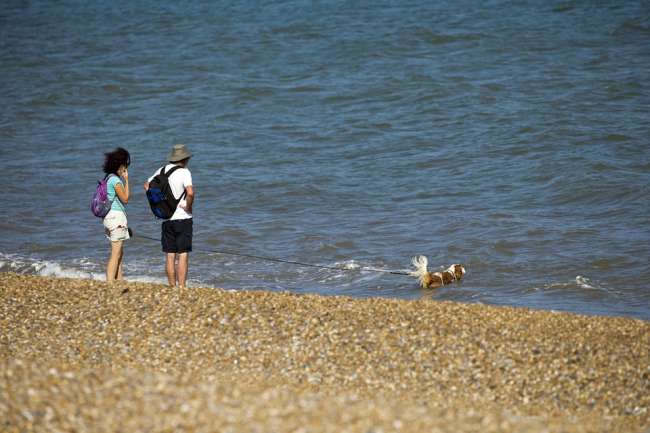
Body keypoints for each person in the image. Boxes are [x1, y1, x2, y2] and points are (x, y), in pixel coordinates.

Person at [144, 144, 194, 288]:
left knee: (170, 254)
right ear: (184, 159)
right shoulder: (185, 172)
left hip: (166, 218)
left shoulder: (161, 170)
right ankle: (182, 287)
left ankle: (172, 287)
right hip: (183, 218)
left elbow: (146, 185)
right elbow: (190, 192)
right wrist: (188, 206)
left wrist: (157, 204)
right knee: (183, 253)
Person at [102, 147, 131, 283]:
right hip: (116, 218)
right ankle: (110, 282)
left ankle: (119, 279)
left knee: (119, 251)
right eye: (125, 165)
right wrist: (126, 180)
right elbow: (125, 198)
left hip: (108, 218)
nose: (125, 168)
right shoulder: (115, 180)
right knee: (116, 253)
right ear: (120, 165)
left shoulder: (107, 178)